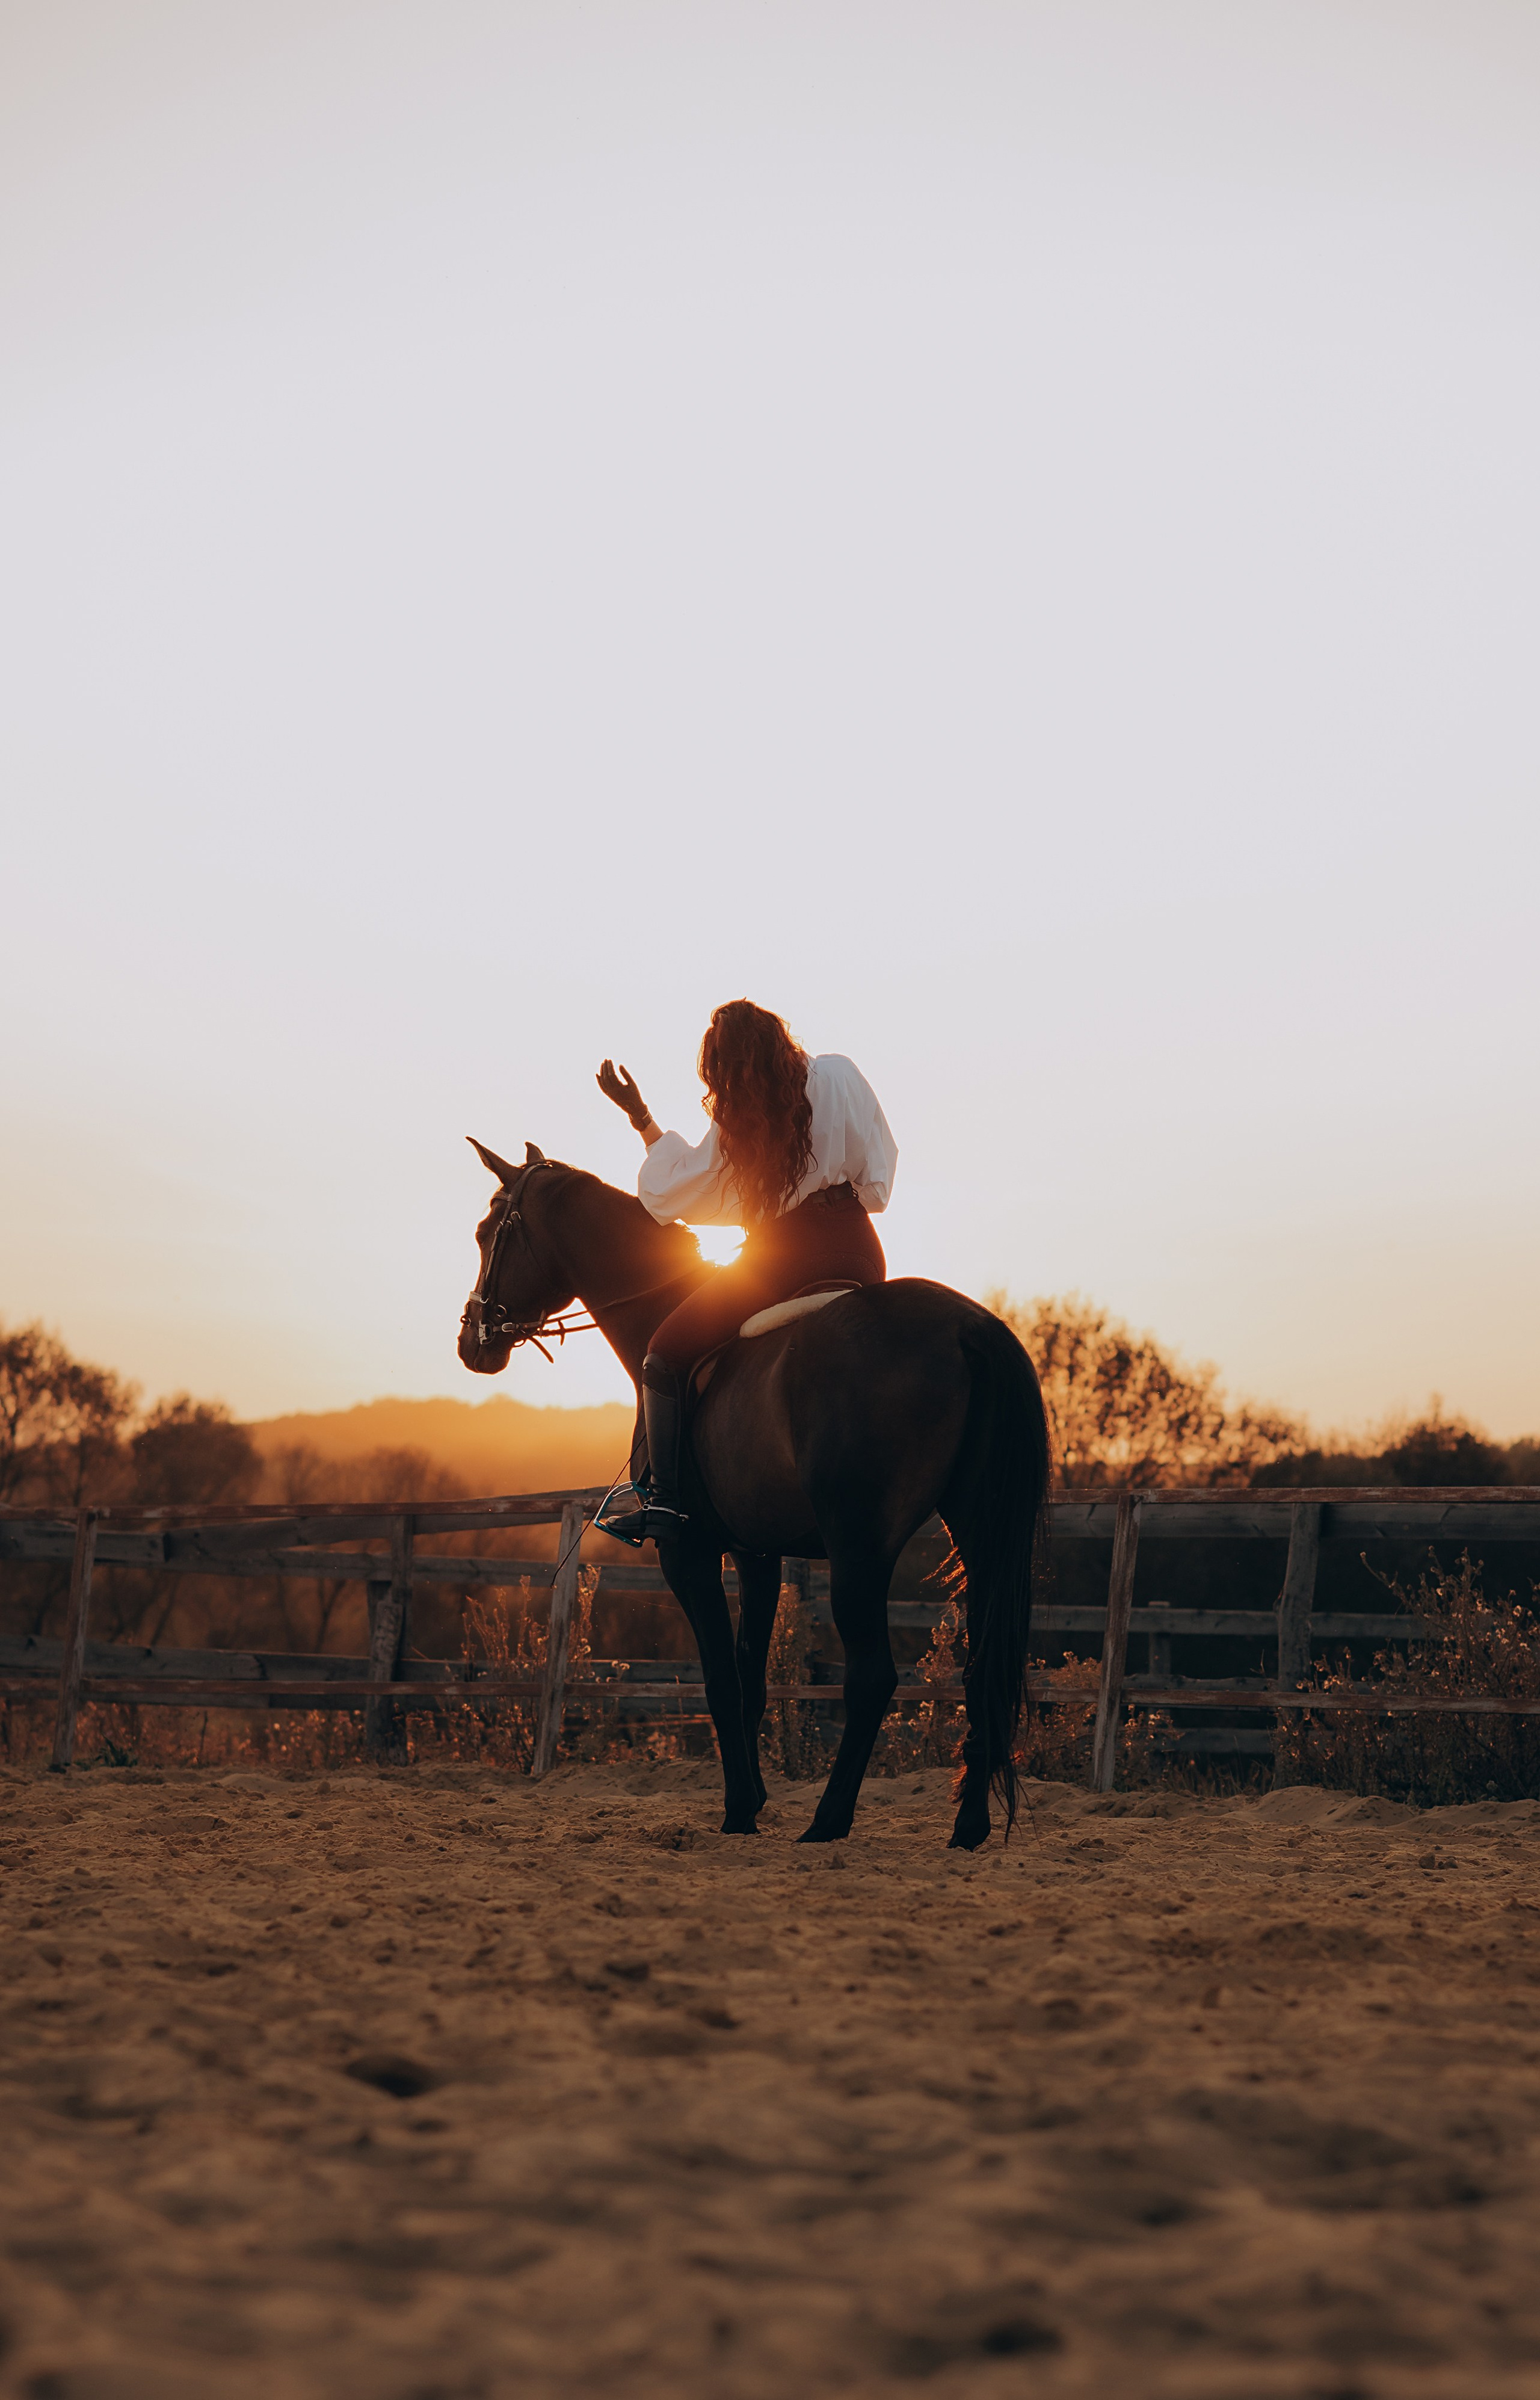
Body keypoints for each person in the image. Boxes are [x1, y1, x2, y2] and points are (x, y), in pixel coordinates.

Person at [596, 999, 897, 1542]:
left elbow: (676, 1188)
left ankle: (665, 1503)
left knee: (663, 1354)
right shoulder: (840, 1072)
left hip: (782, 1259)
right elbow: (878, 1179)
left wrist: (642, 1118)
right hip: (860, 1249)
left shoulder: (739, 1113)